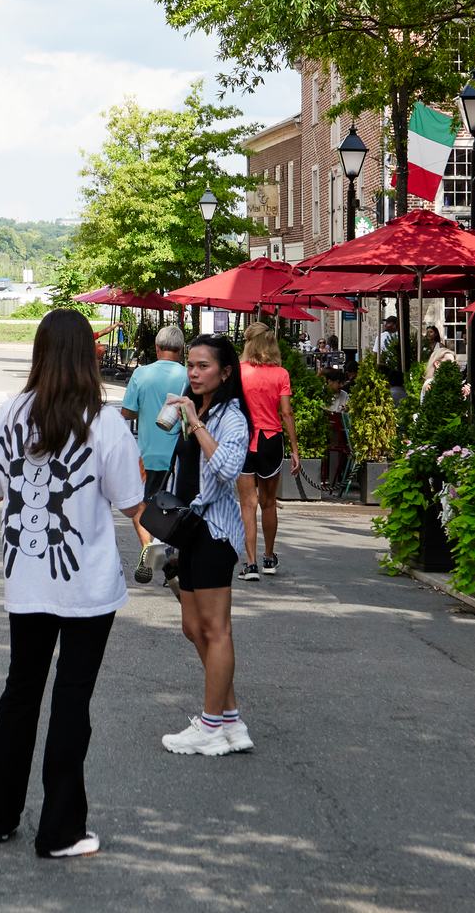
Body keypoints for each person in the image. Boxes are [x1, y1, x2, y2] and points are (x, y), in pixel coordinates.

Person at [0, 310, 144, 859]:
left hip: (25, 580)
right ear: (88, 356)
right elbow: (130, 501)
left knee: (19, 692)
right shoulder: (105, 421)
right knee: (72, 700)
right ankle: (61, 829)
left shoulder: (8, 413)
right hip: (88, 586)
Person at [159, 334, 253, 757]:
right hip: (191, 529)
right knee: (192, 627)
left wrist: (195, 424)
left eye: (203, 367)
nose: (194, 373)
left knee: (216, 629)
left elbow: (229, 468)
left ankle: (212, 725)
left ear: (226, 372)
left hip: (215, 533)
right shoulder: (202, 407)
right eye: (191, 366)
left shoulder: (230, 416)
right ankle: (231, 721)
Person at [119, 324, 188, 587]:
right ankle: (168, 555)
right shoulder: (188, 376)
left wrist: (146, 411)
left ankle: (149, 545)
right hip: (178, 455)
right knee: (177, 506)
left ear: (157, 348)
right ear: (181, 350)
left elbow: (127, 412)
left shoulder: (142, 374)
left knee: (142, 505)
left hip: (146, 453)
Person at [236, 323, 298, 581]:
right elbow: (286, 412)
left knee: (247, 504)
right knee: (268, 503)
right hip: (271, 439)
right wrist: (295, 448)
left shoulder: (239, 372)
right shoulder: (281, 374)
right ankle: (269, 557)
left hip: (244, 438)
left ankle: (250, 564)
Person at [420, 325, 457, 398]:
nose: (428, 334)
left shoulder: (439, 345)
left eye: (431, 332)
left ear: (436, 333)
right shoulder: (424, 346)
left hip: (435, 368)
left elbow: (445, 355)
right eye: (427, 332)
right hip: (427, 368)